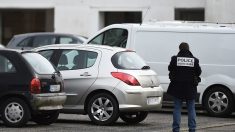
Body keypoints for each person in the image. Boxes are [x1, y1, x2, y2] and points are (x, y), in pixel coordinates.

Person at [167, 42, 201, 132]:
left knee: (177, 108)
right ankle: (192, 129)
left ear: (179, 49)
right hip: (190, 88)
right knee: (191, 109)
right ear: (188, 49)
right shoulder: (194, 60)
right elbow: (199, 72)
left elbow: (170, 68)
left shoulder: (175, 59)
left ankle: (176, 129)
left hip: (177, 88)